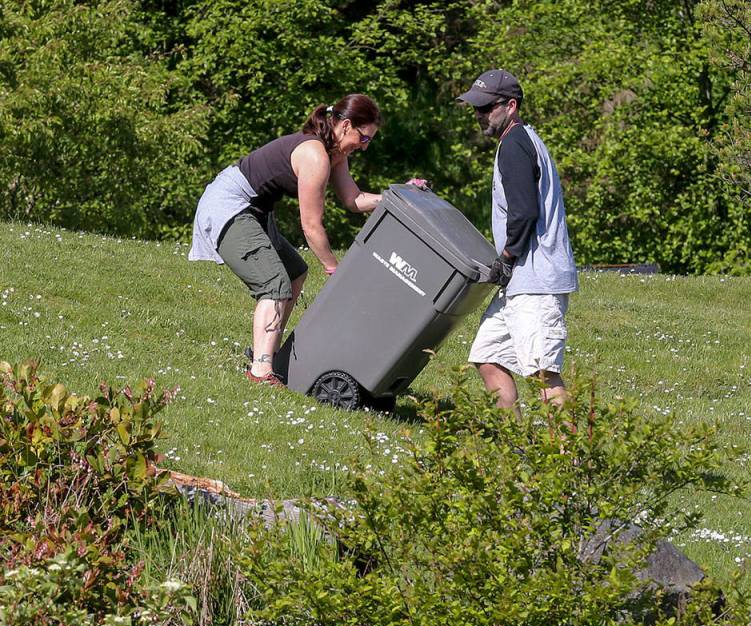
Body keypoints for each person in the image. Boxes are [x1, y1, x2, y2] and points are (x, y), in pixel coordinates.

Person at [189, 94, 427, 386]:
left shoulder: (335, 154)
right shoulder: (315, 155)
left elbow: (354, 199)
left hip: (255, 209)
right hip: (229, 205)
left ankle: (269, 352)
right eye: (364, 139)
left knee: (294, 274)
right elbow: (311, 226)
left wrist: (400, 195)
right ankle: (261, 371)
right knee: (274, 284)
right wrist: (333, 268)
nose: (365, 147)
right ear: (346, 126)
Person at [457, 69, 578, 409]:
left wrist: (506, 258)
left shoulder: (514, 145)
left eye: (485, 108)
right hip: (521, 283)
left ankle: (573, 458)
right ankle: (514, 448)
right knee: (488, 357)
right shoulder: (518, 140)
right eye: (476, 109)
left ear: (510, 106)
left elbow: (523, 212)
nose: (479, 115)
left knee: (542, 374)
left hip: (535, 281)